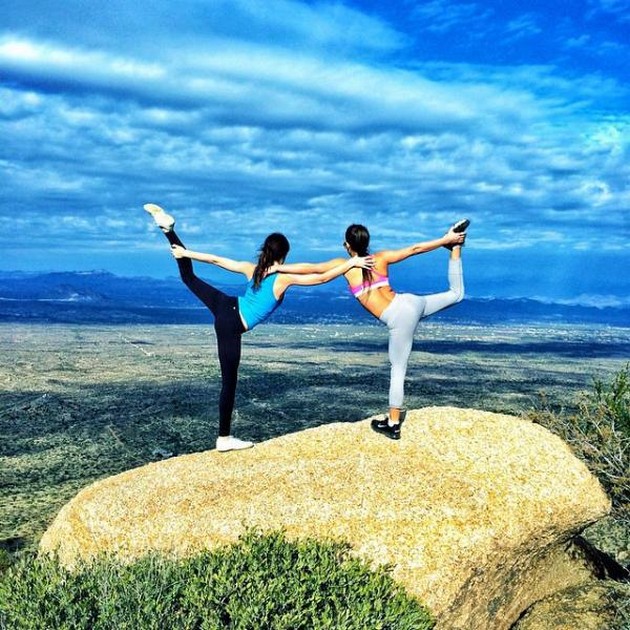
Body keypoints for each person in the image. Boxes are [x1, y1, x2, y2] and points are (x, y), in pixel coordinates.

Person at [143, 203, 373, 452]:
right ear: (283, 255)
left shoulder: (252, 269)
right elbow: (321, 276)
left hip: (224, 305)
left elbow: (216, 260)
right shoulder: (282, 277)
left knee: (189, 277)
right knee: (229, 383)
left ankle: (168, 230)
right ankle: (224, 438)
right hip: (231, 323)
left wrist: (187, 254)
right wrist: (351, 264)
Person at [273, 219, 469, 440]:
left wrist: (278, 267)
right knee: (456, 294)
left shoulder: (346, 267)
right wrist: (447, 239)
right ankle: (455, 248)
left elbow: (311, 268)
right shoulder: (381, 257)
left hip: (399, 316)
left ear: (347, 245)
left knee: (398, 368)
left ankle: (393, 424)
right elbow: (415, 249)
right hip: (411, 302)